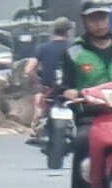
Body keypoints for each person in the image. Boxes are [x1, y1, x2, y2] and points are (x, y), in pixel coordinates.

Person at [60, 0, 112, 188]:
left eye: (102, 17)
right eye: (93, 19)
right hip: (91, 115)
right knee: (82, 142)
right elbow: (64, 83)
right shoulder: (74, 51)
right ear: (84, 21)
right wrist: (68, 92)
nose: (99, 23)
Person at [26, 16, 75, 145]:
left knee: (38, 105)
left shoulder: (42, 48)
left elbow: (29, 69)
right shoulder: (74, 47)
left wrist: (37, 81)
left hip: (49, 91)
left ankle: (36, 131)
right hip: (70, 90)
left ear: (53, 31)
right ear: (67, 32)